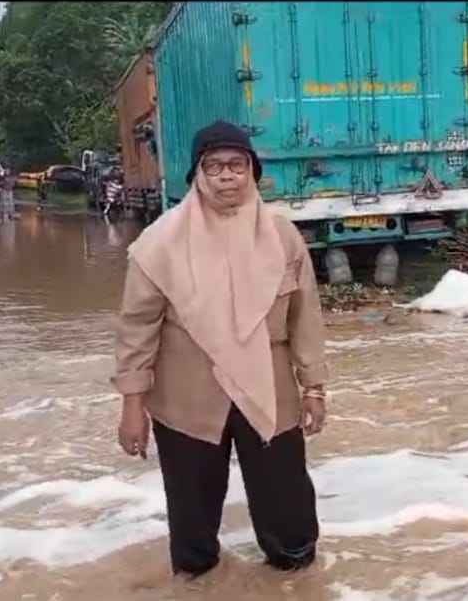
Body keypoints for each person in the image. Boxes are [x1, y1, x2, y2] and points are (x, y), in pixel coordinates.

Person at [111, 120, 329, 580]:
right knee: (193, 541)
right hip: (188, 399)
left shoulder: (284, 238)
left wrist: (314, 388)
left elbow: (305, 318)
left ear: (253, 171)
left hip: (270, 394)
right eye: (214, 166)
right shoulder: (158, 243)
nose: (227, 176)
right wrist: (133, 406)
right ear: (196, 175)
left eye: (237, 165)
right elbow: (137, 330)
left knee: (291, 528)